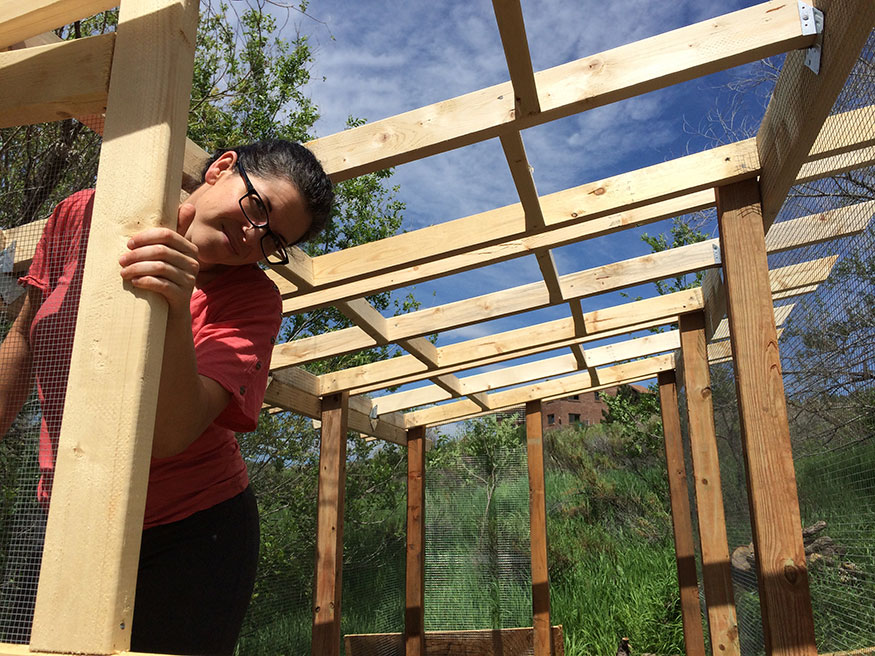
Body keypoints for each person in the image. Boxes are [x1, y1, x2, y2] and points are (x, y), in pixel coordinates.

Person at [0, 139, 333, 655]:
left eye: (273, 241)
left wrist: (176, 307)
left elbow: (172, 433)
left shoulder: (252, 302)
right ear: (222, 169)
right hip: (67, 506)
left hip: (191, 533)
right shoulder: (83, 214)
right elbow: (23, 337)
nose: (252, 238)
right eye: (257, 208)